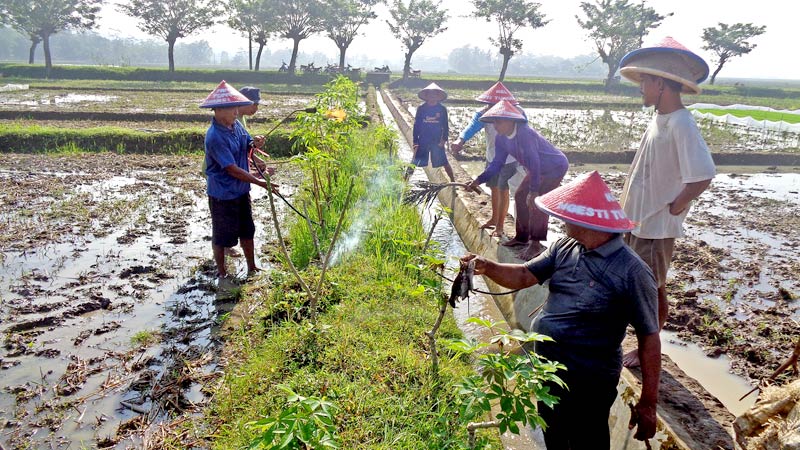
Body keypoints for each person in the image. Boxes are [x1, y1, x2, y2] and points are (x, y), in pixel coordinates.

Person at [461, 171, 661, 450]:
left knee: (586, 441)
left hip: (589, 381)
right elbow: (523, 275)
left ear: (587, 223)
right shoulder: (567, 246)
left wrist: (648, 403)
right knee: (554, 435)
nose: (561, 221)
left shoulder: (632, 272)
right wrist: (488, 267)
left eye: (567, 217)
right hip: (547, 371)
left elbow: (649, 338)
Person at [618, 37, 716, 367]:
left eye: (645, 81)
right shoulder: (659, 118)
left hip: (656, 225)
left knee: (650, 289)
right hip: (638, 219)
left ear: (660, 84)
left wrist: (676, 206)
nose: (641, 88)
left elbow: (702, 174)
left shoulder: (682, 123)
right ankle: (641, 341)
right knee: (647, 287)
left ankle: (647, 350)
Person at [466, 100, 568, 260]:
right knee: (520, 195)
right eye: (493, 122)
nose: (495, 126)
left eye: (498, 121)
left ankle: (535, 244)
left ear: (510, 121)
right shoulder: (501, 139)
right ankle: (522, 237)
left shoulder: (525, 134)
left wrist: (534, 191)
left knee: (537, 203)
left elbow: (534, 161)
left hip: (554, 167)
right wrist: (478, 180)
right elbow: (497, 164)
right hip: (536, 168)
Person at [200, 80, 273, 285]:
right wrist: (259, 181)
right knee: (222, 236)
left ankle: (252, 266)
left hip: (241, 191)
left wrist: (255, 143)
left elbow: (247, 144)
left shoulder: (236, 126)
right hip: (222, 194)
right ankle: (222, 273)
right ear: (220, 110)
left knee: (248, 230)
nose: (236, 111)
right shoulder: (214, 136)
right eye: (233, 107)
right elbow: (231, 169)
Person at [451, 81, 520, 238]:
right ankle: (495, 218)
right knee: (494, 188)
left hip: (510, 159)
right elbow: (472, 127)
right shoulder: (484, 114)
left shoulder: (516, 115)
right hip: (493, 157)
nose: (492, 108)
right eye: (490, 104)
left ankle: (501, 226)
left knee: (504, 190)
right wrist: (460, 140)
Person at [412, 82, 455, 182]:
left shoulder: (442, 109)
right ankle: (404, 181)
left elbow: (445, 126)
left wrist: (443, 140)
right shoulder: (421, 109)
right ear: (426, 96)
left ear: (438, 96)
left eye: (434, 95)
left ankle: (453, 181)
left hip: (436, 140)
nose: (432, 97)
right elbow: (416, 125)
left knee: (444, 162)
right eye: (430, 95)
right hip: (423, 139)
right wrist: (415, 141)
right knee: (414, 161)